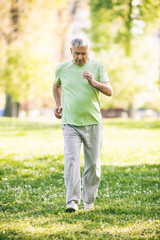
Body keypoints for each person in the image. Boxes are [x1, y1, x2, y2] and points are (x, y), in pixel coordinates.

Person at [53, 37, 113, 212]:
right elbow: (55, 86)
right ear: (71, 52)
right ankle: (72, 201)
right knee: (71, 161)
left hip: (93, 122)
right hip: (70, 123)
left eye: (84, 53)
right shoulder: (62, 68)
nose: (80, 57)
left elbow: (109, 91)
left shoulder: (98, 67)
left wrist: (93, 82)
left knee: (93, 165)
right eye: (77, 53)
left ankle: (88, 201)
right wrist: (58, 105)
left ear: (89, 51)